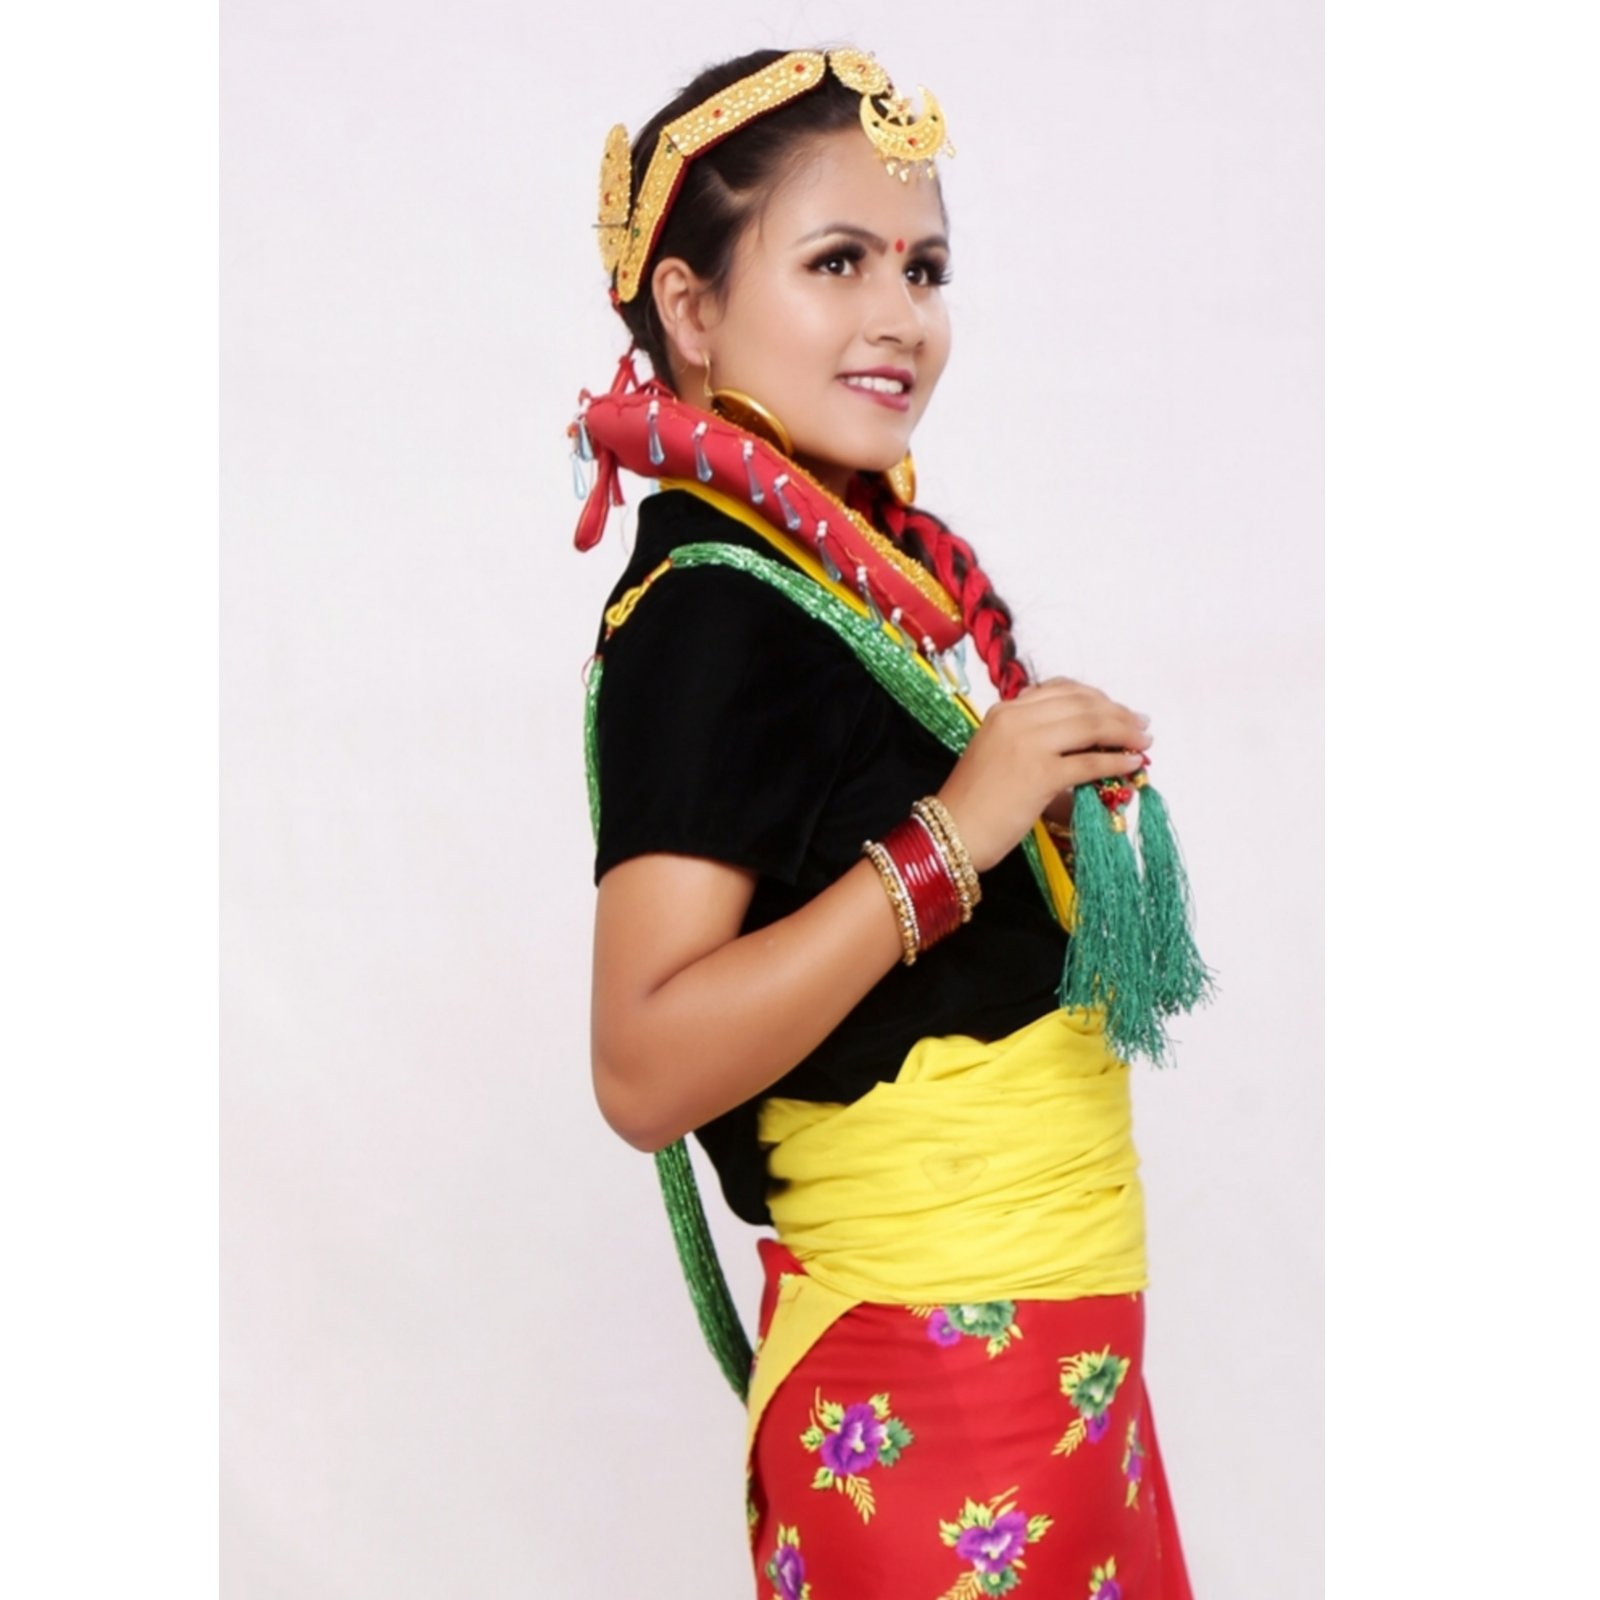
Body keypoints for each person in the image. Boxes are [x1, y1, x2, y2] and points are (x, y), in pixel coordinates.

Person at [569, 44, 1209, 1598]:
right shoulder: (710, 612)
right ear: (690, 308)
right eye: (838, 261)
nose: (900, 315)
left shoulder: (850, 588)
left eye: (923, 268)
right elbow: (642, 1067)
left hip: (1055, 1380)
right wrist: (956, 833)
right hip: (933, 1396)